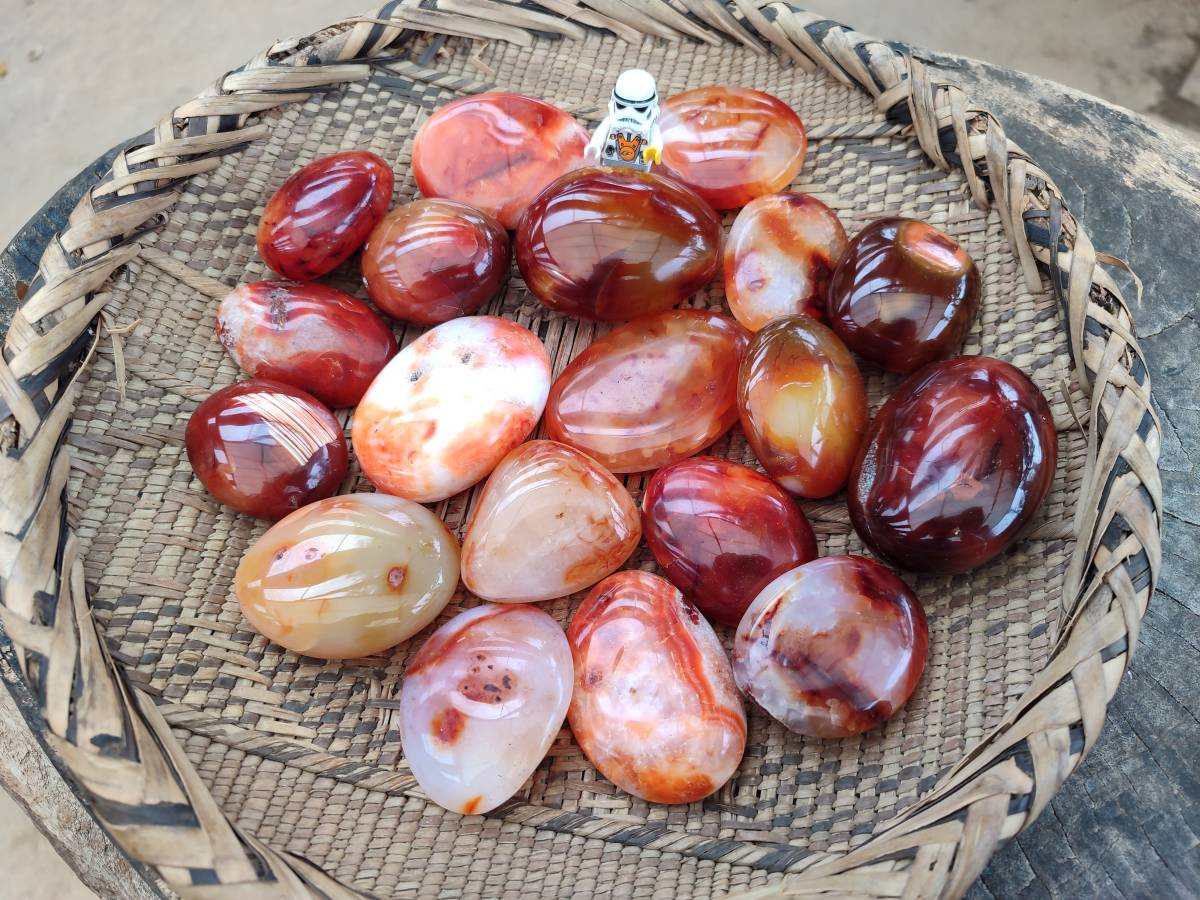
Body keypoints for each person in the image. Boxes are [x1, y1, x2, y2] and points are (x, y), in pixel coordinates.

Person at [585, 69, 663, 172]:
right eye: (621, 106)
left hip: (640, 171)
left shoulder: (652, 129)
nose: (629, 114)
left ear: (652, 105)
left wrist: (654, 150)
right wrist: (595, 146)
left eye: (639, 109)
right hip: (609, 166)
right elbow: (600, 134)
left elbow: (657, 142)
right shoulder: (610, 122)